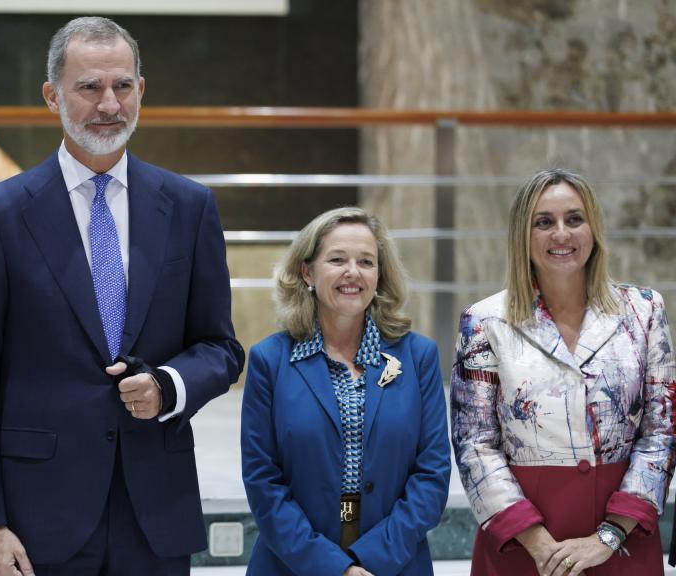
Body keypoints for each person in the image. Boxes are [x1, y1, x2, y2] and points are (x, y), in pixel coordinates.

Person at [0, 15, 244, 576]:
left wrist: (168, 385)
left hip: (155, 512)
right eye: (89, 88)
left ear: (141, 91)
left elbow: (220, 347)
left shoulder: (189, 207)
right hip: (38, 520)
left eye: (122, 86)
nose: (109, 104)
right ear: (51, 95)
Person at [452, 168, 676, 575]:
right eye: (544, 222)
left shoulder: (644, 311)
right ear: (523, 234)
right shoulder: (485, 321)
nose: (561, 234)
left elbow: (662, 432)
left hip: (622, 541)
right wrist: (538, 544)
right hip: (521, 543)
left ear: (594, 228)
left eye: (574, 219)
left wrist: (609, 536)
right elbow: (474, 445)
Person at [241, 207, 451, 576]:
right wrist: (334, 569)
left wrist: (370, 561)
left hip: (395, 564)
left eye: (366, 261)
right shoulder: (269, 361)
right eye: (337, 259)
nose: (352, 272)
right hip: (293, 564)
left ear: (379, 274)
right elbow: (263, 481)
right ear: (307, 271)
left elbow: (431, 474)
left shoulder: (418, 357)